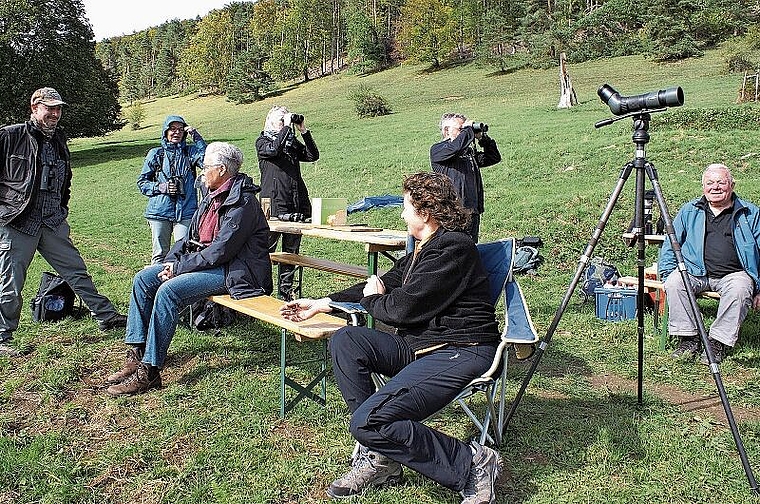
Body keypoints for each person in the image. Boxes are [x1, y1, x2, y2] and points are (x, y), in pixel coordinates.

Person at [281, 172, 503, 503]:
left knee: (367, 421)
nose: (401, 214)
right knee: (347, 340)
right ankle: (381, 458)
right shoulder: (424, 249)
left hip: (461, 350)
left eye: (405, 206)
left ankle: (472, 462)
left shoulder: (454, 247)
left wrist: (372, 300)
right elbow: (386, 281)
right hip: (423, 346)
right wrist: (323, 303)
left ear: (424, 213)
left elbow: (400, 309)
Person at [105, 142, 273, 396]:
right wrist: (170, 262)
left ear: (222, 170)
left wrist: (179, 268)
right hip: (208, 263)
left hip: (236, 272)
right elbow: (188, 239)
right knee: (143, 279)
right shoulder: (211, 195)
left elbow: (221, 251)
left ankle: (150, 372)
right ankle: (138, 353)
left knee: (169, 291)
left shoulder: (244, 203)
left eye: (206, 167)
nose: (202, 171)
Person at [0, 87, 127, 357]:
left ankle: (106, 316)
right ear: (35, 107)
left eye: (58, 109)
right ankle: (3, 337)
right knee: (10, 283)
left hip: (52, 221)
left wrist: (62, 209)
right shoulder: (10, 136)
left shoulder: (59, 139)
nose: (55, 114)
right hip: (18, 222)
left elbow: (64, 180)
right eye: (49, 108)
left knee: (76, 271)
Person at [659, 163, 760, 365]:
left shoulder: (750, 213)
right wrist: (666, 272)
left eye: (721, 182)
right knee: (675, 281)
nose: (715, 187)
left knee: (741, 288)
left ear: (732, 185)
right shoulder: (690, 210)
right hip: (695, 271)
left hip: (734, 273)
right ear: (703, 187)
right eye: (710, 183)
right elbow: (672, 242)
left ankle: (717, 342)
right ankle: (688, 338)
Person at [256, 105, 319, 300]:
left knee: (291, 251)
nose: (286, 123)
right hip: (271, 204)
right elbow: (274, 150)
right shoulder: (262, 141)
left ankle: (286, 293)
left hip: (294, 202)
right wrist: (286, 126)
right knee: (264, 250)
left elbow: (312, 155)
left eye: (286, 119)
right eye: (281, 119)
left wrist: (303, 131)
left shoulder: (290, 141)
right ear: (270, 122)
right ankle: (259, 291)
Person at [137, 115, 206, 264]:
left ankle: (176, 287)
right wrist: (161, 187)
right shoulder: (156, 154)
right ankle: (155, 286)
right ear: (165, 131)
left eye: (181, 129)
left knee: (183, 254)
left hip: (186, 211)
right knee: (160, 255)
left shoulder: (190, 152)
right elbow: (142, 183)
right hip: (159, 212)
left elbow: (208, 161)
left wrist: (196, 136)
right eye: (173, 129)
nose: (177, 132)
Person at [430, 113, 501, 243]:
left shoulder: (468, 153)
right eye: (460, 129)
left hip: (472, 211)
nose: (465, 132)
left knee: (470, 247)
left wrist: (482, 138)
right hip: (451, 212)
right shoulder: (438, 150)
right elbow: (455, 148)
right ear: (446, 130)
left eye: (465, 129)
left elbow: (493, 157)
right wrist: (468, 130)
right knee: (454, 249)